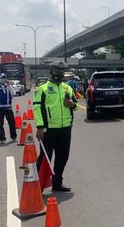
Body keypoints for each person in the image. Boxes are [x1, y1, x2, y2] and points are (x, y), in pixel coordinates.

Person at [34, 61, 79, 192]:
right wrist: (39, 127)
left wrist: (71, 104)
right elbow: (37, 108)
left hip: (65, 128)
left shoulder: (67, 88)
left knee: (63, 157)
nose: (58, 75)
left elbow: (75, 106)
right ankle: (37, 186)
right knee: (44, 158)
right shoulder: (42, 89)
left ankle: (57, 182)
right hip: (49, 130)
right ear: (50, 73)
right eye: (55, 73)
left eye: (60, 73)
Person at [0, 73, 17, 144]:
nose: (3, 79)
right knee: (0, 124)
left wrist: (9, 85)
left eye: (4, 78)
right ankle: (2, 139)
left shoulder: (8, 87)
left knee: (12, 123)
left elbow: (13, 93)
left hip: (8, 108)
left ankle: (13, 136)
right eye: (1, 78)